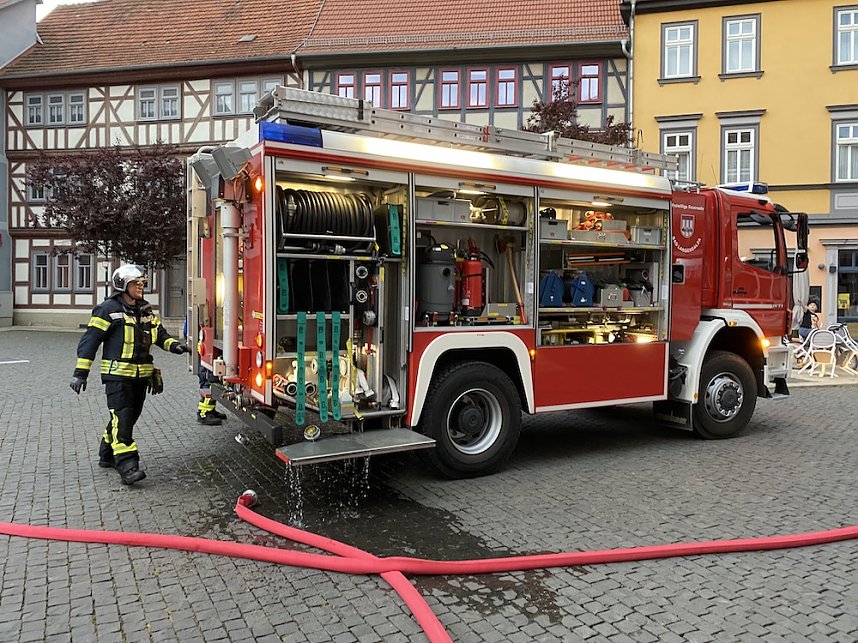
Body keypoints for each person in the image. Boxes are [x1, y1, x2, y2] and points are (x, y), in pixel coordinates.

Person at [69, 264, 190, 485]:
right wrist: (80, 373)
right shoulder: (107, 309)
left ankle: (106, 454)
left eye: (142, 283)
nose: (141, 287)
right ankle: (127, 465)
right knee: (123, 418)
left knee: (126, 418)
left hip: (141, 377)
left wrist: (176, 346)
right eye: (136, 284)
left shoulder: (145, 309)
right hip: (117, 377)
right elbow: (90, 340)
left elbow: (159, 334)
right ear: (122, 285)